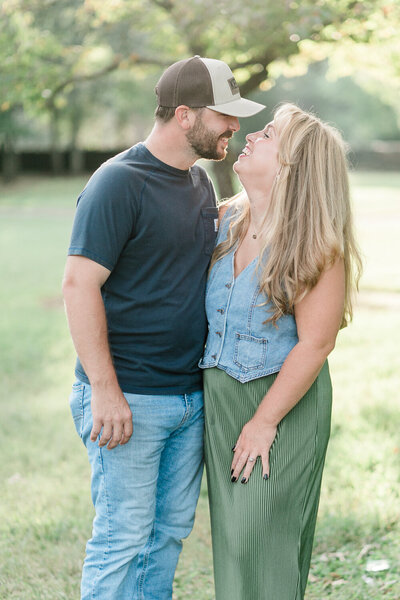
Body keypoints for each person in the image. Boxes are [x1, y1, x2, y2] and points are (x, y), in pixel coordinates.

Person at [62, 55, 265, 600]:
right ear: (185, 114)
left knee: (168, 535)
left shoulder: (198, 182)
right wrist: (105, 391)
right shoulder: (118, 183)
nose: (234, 126)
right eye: (224, 115)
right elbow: (79, 286)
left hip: (188, 398)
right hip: (129, 396)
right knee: (123, 537)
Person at [199, 103, 362, 600]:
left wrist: (264, 422)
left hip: (281, 409)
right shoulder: (225, 220)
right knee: (234, 544)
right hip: (222, 403)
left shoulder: (316, 245)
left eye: (268, 134)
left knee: (264, 542)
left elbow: (317, 343)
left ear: (292, 165)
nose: (251, 136)